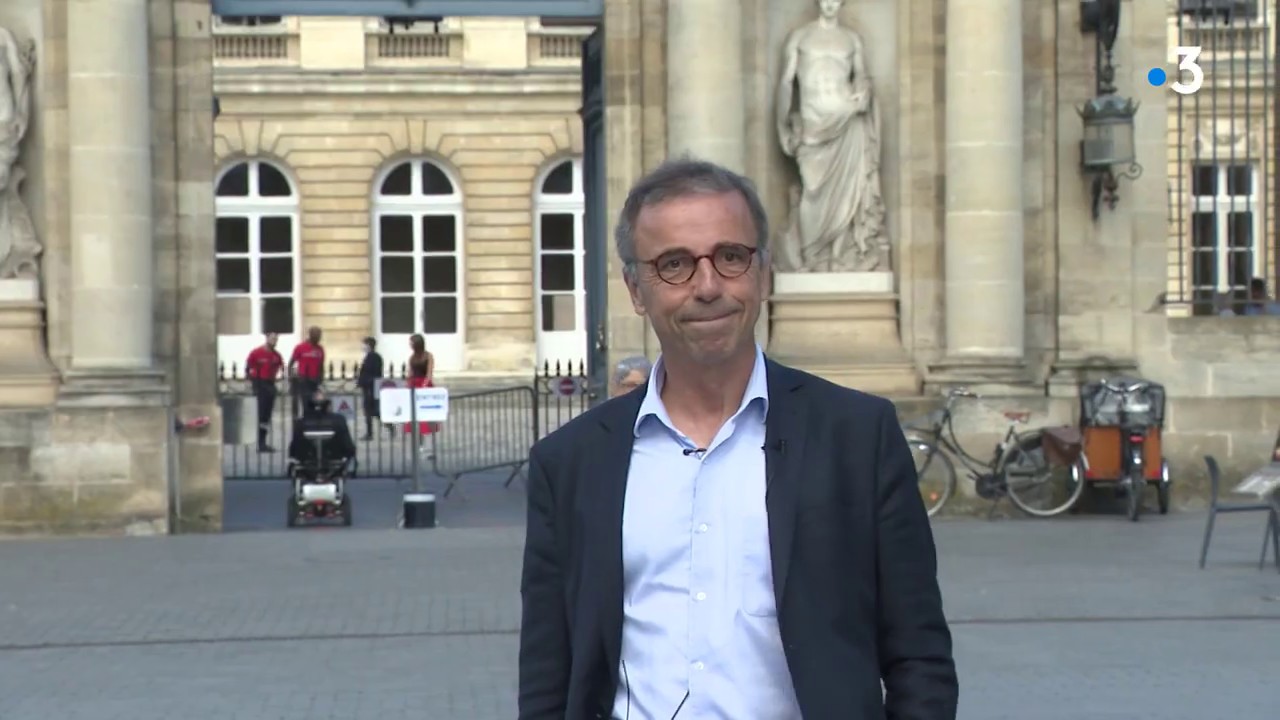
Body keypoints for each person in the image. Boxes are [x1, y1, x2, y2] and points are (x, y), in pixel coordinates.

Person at [518, 159, 957, 719]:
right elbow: (547, 675)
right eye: (674, 264)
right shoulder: (571, 462)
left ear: (764, 273)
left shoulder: (856, 437)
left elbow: (918, 654)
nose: (707, 286)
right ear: (635, 288)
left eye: (731, 257)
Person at [288, 389, 356, 473]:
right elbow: (348, 444)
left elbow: (294, 447)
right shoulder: (338, 420)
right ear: (328, 405)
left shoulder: (301, 422)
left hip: (307, 457)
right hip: (334, 455)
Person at [245, 333, 284, 452]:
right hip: (260, 384)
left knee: (266, 416)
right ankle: (260, 442)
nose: (274, 341)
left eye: (276, 339)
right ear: (267, 338)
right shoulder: (256, 353)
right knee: (261, 415)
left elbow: (282, 367)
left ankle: (262, 442)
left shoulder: (276, 355)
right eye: (272, 338)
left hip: (270, 384)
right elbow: (248, 367)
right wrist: (252, 383)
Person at [289, 326, 325, 418]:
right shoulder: (300, 347)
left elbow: (321, 366)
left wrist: (321, 380)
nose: (318, 338)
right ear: (311, 335)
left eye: (319, 336)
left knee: (315, 404)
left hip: (315, 380)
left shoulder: (320, 349)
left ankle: (311, 422)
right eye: (317, 336)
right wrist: (292, 376)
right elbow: (291, 363)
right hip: (303, 380)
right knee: (305, 404)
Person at [404, 333, 435, 437]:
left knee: (425, 411)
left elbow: (429, 373)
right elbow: (410, 372)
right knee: (414, 411)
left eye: (411, 343)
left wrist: (425, 385)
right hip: (414, 383)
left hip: (424, 384)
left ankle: (426, 431)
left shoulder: (428, 356)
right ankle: (417, 436)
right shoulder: (412, 357)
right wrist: (407, 383)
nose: (410, 345)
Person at [356, 336, 384, 440]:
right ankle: (370, 432)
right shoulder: (368, 356)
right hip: (367, 387)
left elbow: (375, 373)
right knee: (368, 411)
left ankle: (385, 425)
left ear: (369, 345)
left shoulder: (375, 357)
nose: (363, 346)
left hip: (371, 388)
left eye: (364, 344)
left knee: (372, 411)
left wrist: (366, 382)